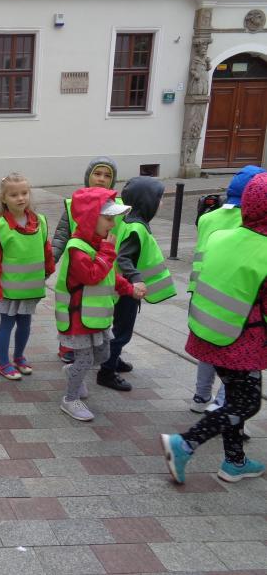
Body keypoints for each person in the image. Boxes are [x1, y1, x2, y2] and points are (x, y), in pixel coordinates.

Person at [161, 172, 267, 485]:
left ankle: (235, 462)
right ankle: (185, 443)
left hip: (207, 333)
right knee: (247, 403)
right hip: (241, 342)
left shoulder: (222, 236)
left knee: (234, 397)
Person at [54, 188, 140, 421]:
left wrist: (130, 289)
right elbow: (91, 276)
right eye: (108, 218)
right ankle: (70, 399)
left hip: (96, 317)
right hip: (78, 317)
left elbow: (110, 276)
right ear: (91, 218)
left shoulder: (98, 244)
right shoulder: (78, 248)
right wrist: (107, 252)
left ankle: (73, 372)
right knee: (85, 359)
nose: (113, 224)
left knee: (102, 354)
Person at [188, 165, 265, 413]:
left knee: (207, 344)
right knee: (233, 355)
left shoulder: (208, 217)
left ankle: (200, 396)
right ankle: (222, 405)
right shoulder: (247, 225)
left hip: (202, 289)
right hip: (238, 299)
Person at [98, 176, 176, 392]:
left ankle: (114, 358)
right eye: (159, 198)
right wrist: (137, 279)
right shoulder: (137, 228)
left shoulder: (127, 220)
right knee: (122, 332)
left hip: (122, 286)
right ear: (146, 201)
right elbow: (124, 258)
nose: (161, 202)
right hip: (127, 290)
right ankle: (107, 371)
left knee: (119, 328)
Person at [51, 157, 120, 364]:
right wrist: (50, 261)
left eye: (107, 175)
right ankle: (68, 348)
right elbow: (61, 235)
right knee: (73, 309)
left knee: (98, 313)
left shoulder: (116, 207)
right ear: (88, 176)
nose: (101, 179)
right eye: (97, 174)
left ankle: (101, 353)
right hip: (78, 267)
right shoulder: (74, 203)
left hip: (106, 266)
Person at [0, 173, 55, 380]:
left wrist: (49, 268)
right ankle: (3, 363)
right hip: (8, 290)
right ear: (4, 198)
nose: (20, 198)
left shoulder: (40, 222)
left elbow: (46, 248)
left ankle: (19, 357)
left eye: (24, 193)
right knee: (7, 324)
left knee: (25, 324)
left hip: (30, 288)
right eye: (14, 195)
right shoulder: (0, 226)